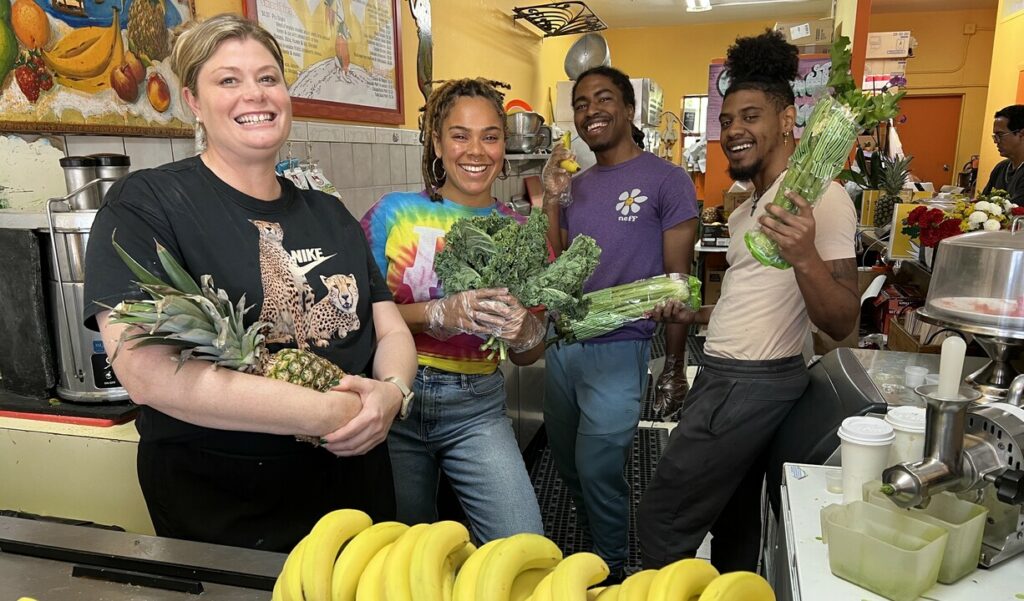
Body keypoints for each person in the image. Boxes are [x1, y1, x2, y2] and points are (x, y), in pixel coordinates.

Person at [82, 14, 417, 551]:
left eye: (267, 78)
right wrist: (338, 411)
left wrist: (394, 392)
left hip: (357, 492)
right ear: (193, 99)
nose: (254, 95)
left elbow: (389, 326)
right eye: (228, 80)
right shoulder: (147, 204)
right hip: (227, 509)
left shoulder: (328, 211)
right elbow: (147, 372)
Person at [637, 30, 859, 572]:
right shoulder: (745, 210)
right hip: (721, 370)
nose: (734, 130)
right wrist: (695, 315)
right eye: (727, 119)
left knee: (662, 518)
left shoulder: (818, 201)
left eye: (751, 116)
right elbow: (750, 301)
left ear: (787, 120)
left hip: (750, 381)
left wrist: (805, 254)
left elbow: (843, 321)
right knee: (736, 520)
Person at [360, 78, 546, 543]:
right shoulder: (392, 214)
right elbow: (357, 318)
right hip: (394, 398)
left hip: (476, 406)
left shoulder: (520, 229)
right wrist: (435, 313)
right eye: (460, 135)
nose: (475, 150)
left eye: (490, 135)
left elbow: (528, 355)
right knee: (404, 553)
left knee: (522, 544)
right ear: (437, 144)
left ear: (504, 145)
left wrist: (527, 332)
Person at [541, 65, 699, 580]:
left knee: (599, 469)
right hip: (564, 346)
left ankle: (608, 570)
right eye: (581, 103)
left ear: (629, 109)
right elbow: (558, 262)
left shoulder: (667, 179)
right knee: (566, 466)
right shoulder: (576, 185)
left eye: (603, 99)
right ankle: (589, 547)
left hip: (621, 347)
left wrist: (674, 365)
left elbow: (678, 285)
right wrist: (550, 201)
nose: (591, 111)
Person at [982, 104, 1024, 206]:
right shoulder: (1001, 167)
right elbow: (983, 202)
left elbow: (1014, 212)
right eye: (994, 136)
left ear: (1021, 134)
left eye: (1000, 135)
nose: (996, 141)